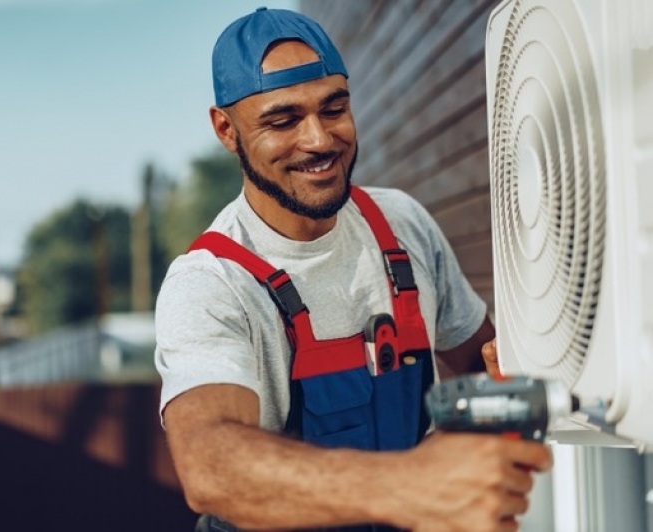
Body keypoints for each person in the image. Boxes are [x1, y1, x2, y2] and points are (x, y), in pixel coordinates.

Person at [154, 7, 551, 532]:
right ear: (227, 130)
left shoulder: (402, 225)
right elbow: (211, 466)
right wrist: (412, 486)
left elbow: (482, 364)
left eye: (334, 108)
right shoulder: (210, 283)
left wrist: (499, 416)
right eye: (283, 120)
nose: (319, 140)